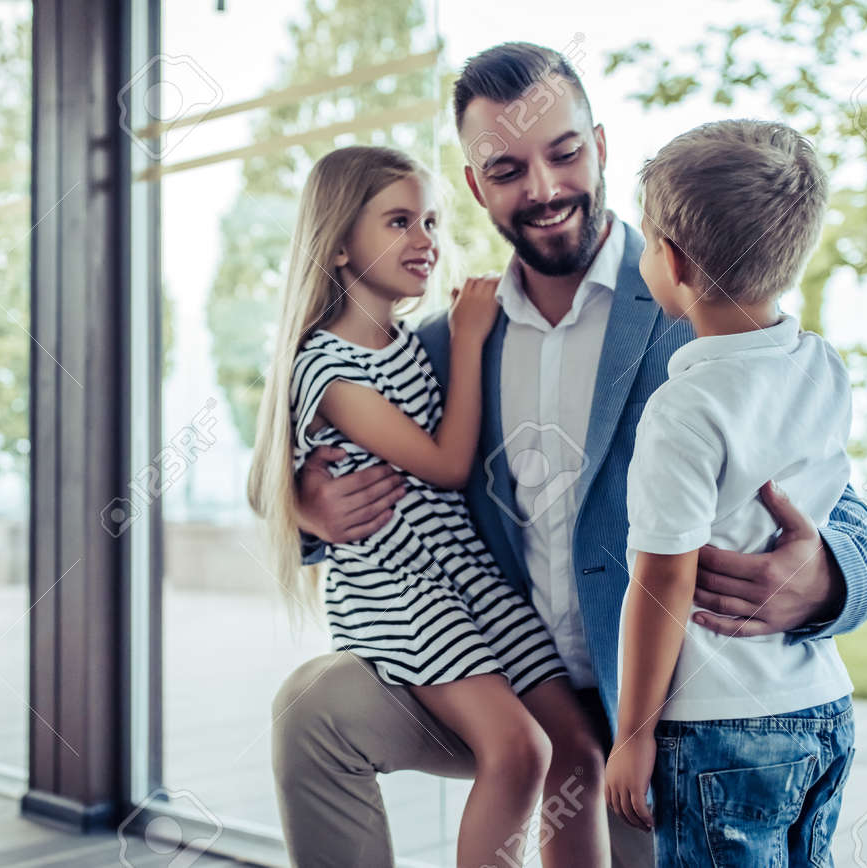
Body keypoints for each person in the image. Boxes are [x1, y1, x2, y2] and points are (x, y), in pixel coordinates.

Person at [274, 42, 867, 868]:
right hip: (503, 669)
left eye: (563, 154)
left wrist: (827, 577)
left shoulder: (702, 295)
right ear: (474, 186)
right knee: (312, 710)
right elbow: (341, 431)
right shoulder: (452, 339)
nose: (544, 188)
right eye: (507, 169)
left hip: (663, 701)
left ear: (600, 146)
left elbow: (838, 499)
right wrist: (307, 505)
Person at [248, 143, 608, 868]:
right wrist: (472, 338)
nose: (426, 242)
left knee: (579, 748)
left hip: (472, 580)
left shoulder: (412, 344)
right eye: (399, 222)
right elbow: (444, 465)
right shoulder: (328, 363)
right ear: (340, 245)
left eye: (432, 222)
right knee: (517, 751)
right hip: (403, 591)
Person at [604, 119, 858, 866]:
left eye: (648, 241)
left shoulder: (684, 408)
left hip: (719, 730)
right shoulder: (824, 366)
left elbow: (660, 580)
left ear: (674, 262)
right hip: (821, 708)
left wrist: (633, 734)